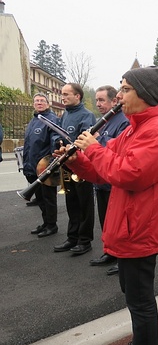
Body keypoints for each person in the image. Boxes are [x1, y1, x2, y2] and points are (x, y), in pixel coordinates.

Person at [63, 66, 158, 345]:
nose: (120, 97)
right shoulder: (131, 132)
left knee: (140, 300)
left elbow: (131, 174)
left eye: (126, 90)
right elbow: (104, 172)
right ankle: (140, 341)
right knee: (133, 294)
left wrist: (94, 149)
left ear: (145, 94)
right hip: (131, 225)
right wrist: (75, 160)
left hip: (141, 228)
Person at [88, 86, 129, 275]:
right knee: (105, 220)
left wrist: (95, 144)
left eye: (102, 100)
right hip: (101, 180)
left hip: (114, 181)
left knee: (119, 223)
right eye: (97, 100)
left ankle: (123, 258)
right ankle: (110, 252)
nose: (98, 104)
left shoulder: (123, 122)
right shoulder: (102, 122)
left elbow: (117, 152)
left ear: (114, 101)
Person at [53, 83, 97, 255]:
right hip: (68, 164)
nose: (62, 97)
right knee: (71, 202)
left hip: (82, 165)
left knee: (84, 204)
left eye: (66, 94)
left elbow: (84, 139)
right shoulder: (65, 114)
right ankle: (72, 237)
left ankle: (85, 241)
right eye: (62, 94)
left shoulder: (87, 115)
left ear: (77, 96)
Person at [23, 93, 59, 237]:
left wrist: (51, 166)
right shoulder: (33, 120)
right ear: (33, 104)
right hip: (32, 167)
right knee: (40, 199)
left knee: (48, 198)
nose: (39, 103)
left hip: (44, 167)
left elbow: (54, 143)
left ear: (48, 104)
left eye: (42, 101)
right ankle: (45, 223)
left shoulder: (52, 120)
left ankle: (52, 225)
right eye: (36, 101)